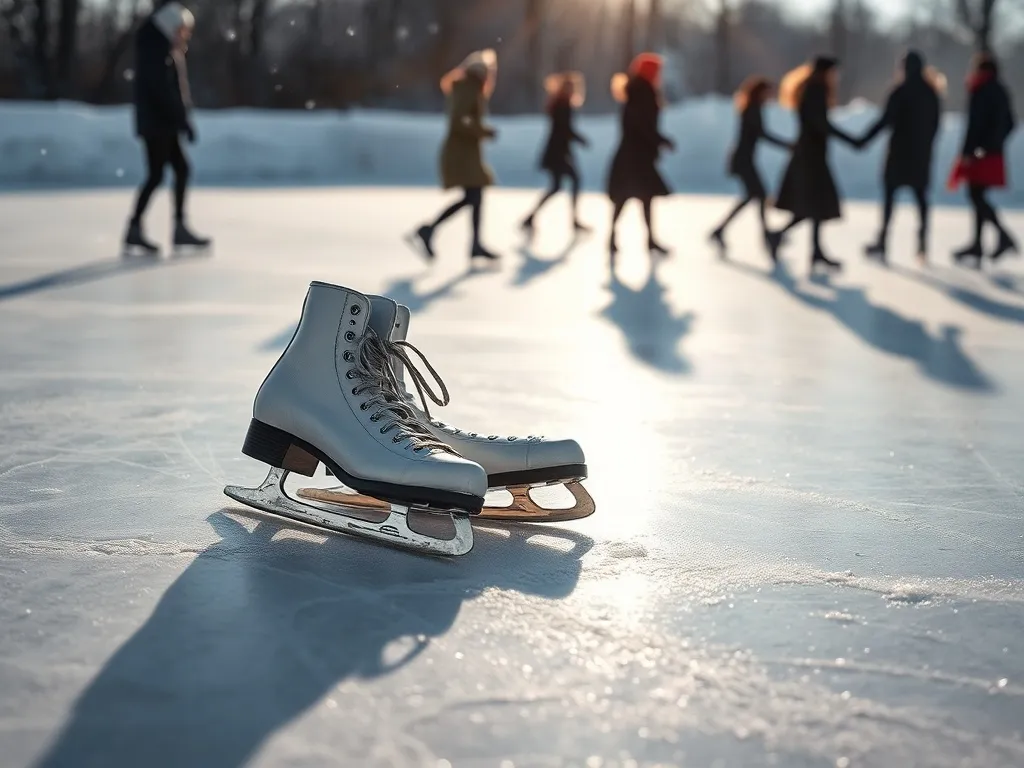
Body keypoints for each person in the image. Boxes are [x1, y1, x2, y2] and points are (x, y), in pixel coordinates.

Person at [124, 1, 209, 255]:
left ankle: (172, 227)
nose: (186, 34)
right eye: (183, 29)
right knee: (158, 174)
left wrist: (181, 119)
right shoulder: (156, 50)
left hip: (163, 123)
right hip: (157, 125)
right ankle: (136, 227)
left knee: (177, 170)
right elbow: (161, 91)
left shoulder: (164, 49)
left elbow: (169, 90)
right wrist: (181, 120)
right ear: (171, 26)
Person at [768, 56, 858, 270]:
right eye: (834, 73)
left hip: (810, 156)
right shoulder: (815, 90)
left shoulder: (811, 89)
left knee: (814, 206)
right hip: (810, 158)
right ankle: (789, 240)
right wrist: (852, 140)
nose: (835, 78)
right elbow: (821, 124)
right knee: (815, 205)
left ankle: (809, 249)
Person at [414, 49, 500, 263]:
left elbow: (464, 119)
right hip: (460, 153)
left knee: (475, 196)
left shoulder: (467, 88)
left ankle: (473, 243)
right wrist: (483, 131)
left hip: (465, 152)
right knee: (473, 197)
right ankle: (431, 230)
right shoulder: (468, 89)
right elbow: (460, 121)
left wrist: (479, 129)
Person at [857, 51, 943, 264]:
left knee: (889, 201)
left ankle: (883, 242)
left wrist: (863, 139)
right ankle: (922, 244)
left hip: (898, 155)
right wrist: (926, 146)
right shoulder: (931, 93)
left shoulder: (900, 91)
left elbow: (885, 120)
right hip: (921, 156)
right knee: (921, 200)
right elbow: (936, 125)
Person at [948, 52, 1018, 266]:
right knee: (978, 195)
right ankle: (978, 244)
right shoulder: (1000, 90)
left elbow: (975, 125)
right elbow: (1010, 123)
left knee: (976, 196)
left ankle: (1002, 236)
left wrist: (970, 152)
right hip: (992, 153)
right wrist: (996, 143)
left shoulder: (980, 89)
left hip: (980, 153)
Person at [709, 75, 791, 252]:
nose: (770, 96)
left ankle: (721, 230)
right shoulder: (753, 109)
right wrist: (786, 145)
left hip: (744, 159)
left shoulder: (752, 108)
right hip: (743, 160)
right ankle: (765, 234)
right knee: (759, 195)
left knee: (753, 196)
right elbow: (762, 133)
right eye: (768, 93)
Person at [606, 53, 675, 257]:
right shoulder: (642, 93)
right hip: (636, 156)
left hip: (634, 153)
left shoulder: (637, 91)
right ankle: (619, 237)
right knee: (631, 197)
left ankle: (643, 239)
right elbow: (642, 125)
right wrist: (660, 140)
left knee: (639, 197)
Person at [521, 72, 590, 236]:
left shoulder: (559, 103)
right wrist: (579, 139)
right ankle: (572, 219)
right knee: (570, 182)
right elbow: (564, 130)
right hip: (557, 153)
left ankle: (531, 217)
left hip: (558, 151)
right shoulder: (562, 104)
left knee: (558, 186)